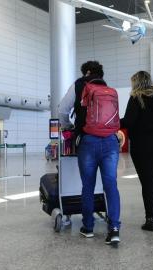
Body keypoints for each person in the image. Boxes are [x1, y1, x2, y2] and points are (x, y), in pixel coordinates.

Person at [58, 61, 121, 245]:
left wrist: (68, 127)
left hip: (88, 140)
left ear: (86, 72)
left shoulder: (78, 85)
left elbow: (62, 109)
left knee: (88, 186)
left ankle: (88, 228)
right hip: (110, 141)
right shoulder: (108, 89)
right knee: (111, 185)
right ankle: (114, 228)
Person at [120, 71, 153, 232]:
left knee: (148, 182)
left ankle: (151, 219)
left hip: (142, 145)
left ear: (136, 83)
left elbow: (128, 121)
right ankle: (151, 216)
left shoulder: (136, 97)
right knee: (151, 180)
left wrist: (110, 123)